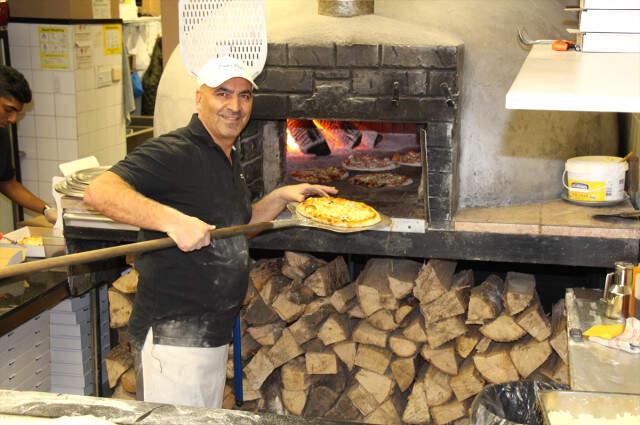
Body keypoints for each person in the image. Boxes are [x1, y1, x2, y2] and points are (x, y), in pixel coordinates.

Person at [83, 56, 337, 408]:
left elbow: (234, 230)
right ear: (198, 98)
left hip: (210, 335)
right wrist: (173, 220)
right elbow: (100, 191)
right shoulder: (176, 152)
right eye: (223, 93)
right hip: (174, 339)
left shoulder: (227, 157)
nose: (235, 106)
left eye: (245, 96)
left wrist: (279, 197)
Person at [0, 65, 57, 224]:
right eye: (8, 109)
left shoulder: (1, 135)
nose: (12, 119)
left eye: (17, 113)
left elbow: (7, 184)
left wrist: (47, 209)